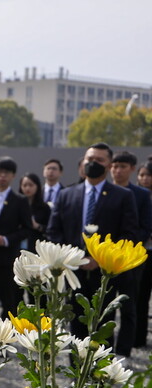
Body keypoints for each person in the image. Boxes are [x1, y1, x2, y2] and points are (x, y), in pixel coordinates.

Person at [47, 143, 139, 352]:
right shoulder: (67, 194)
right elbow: (54, 232)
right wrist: (73, 258)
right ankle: (77, 377)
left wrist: (100, 258)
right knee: (75, 324)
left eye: (99, 160)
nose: (93, 163)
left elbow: (129, 234)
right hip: (73, 270)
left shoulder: (123, 196)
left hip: (104, 273)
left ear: (108, 165)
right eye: (90, 159)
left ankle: (99, 378)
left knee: (101, 325)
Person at [110, 151, 152, 354]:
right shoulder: (104, 192)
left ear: (132, 169)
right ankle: (104, 348)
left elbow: (145, 226)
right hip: (106, 259)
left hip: (131, 259)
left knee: (129, 306)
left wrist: (130, 247)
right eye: (115, 166)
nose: (117, 171)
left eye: (122, 167)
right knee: (105, 307)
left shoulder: (141, 195)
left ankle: (124, 351)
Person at [0, 157, 32, 320]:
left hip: (8, 256)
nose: (2, 176)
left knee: (8, 297)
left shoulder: (20, 200)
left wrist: (6, 239)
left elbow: (27, 229)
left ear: (13, 176)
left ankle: (5, 334)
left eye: (6, 173)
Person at [134, 159, 152, 347]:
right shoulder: (135, 196)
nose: (144, 178)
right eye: (142, 175)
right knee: (141, 295)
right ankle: (138, 338)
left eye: (148, 175)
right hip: (144, 250)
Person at [19, 172, 51, 253]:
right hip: (18, 245)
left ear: (37, 186)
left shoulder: (44, 207)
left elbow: (50, 229)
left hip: (37, 246)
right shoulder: (16, 205)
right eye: (25, 185)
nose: (27, 188)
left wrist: (37, 226)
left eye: (31, 185)